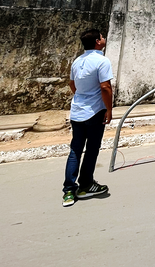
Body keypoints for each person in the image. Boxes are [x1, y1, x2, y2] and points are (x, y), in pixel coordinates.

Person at [62, 29, 113, 207]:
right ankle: (86, 185)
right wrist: (109, 109)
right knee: (92, 149)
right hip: (94, 112)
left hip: (77, 111)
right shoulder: (102, 61)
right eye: (102, 36)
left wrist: (82, 97)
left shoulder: (77, 61)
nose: (104, 38)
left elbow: (72, 84)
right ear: (98, 42)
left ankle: (68, 191)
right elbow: (106, 87)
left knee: (75, 150)